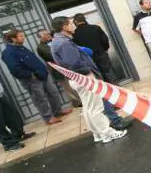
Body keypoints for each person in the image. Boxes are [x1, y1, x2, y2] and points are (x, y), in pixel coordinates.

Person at [50, 16, 127, 144]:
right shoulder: (63, 43)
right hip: (83, 77)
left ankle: (98, 134)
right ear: (64, 27)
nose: (73, 26)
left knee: (89, 108)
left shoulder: (59, 41)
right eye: (70, 24)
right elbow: (74, 63)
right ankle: (106, 133)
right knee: (96, 108)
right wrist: (88, 72)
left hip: (78, 78)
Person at [1, 29, 72, 125]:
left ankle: (57, 111)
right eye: (21, 36)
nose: (23, 38)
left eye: (23, 35)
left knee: (53, 93)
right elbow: (14, 69)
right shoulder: (8, 52)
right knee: (40, 99)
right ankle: (48, 118)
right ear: (13, 39)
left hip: (42, 75)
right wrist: (31, 75)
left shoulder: (22, 48)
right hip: (31, 79)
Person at [36, 29, 81, 108]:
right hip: (58, 70)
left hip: (68, 66)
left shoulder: (54, 41)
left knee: (75, 84)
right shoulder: (41, 47)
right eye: (45, 34)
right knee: (68, 87)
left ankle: (80, 100)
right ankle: (77, 102)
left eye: (48, 33)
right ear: (40, 38)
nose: (48, 35)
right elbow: (52, 56)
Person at [72, 13, 115, 83]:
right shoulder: (96, 28)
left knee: (97, 76)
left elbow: (76, 47)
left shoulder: (75, 34)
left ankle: (104, 92)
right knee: (108, 72)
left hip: (88, 58)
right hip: (101, 53)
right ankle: (116, 90)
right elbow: (105, 40)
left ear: (75, 22)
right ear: (84, 19)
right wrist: (105, 49)